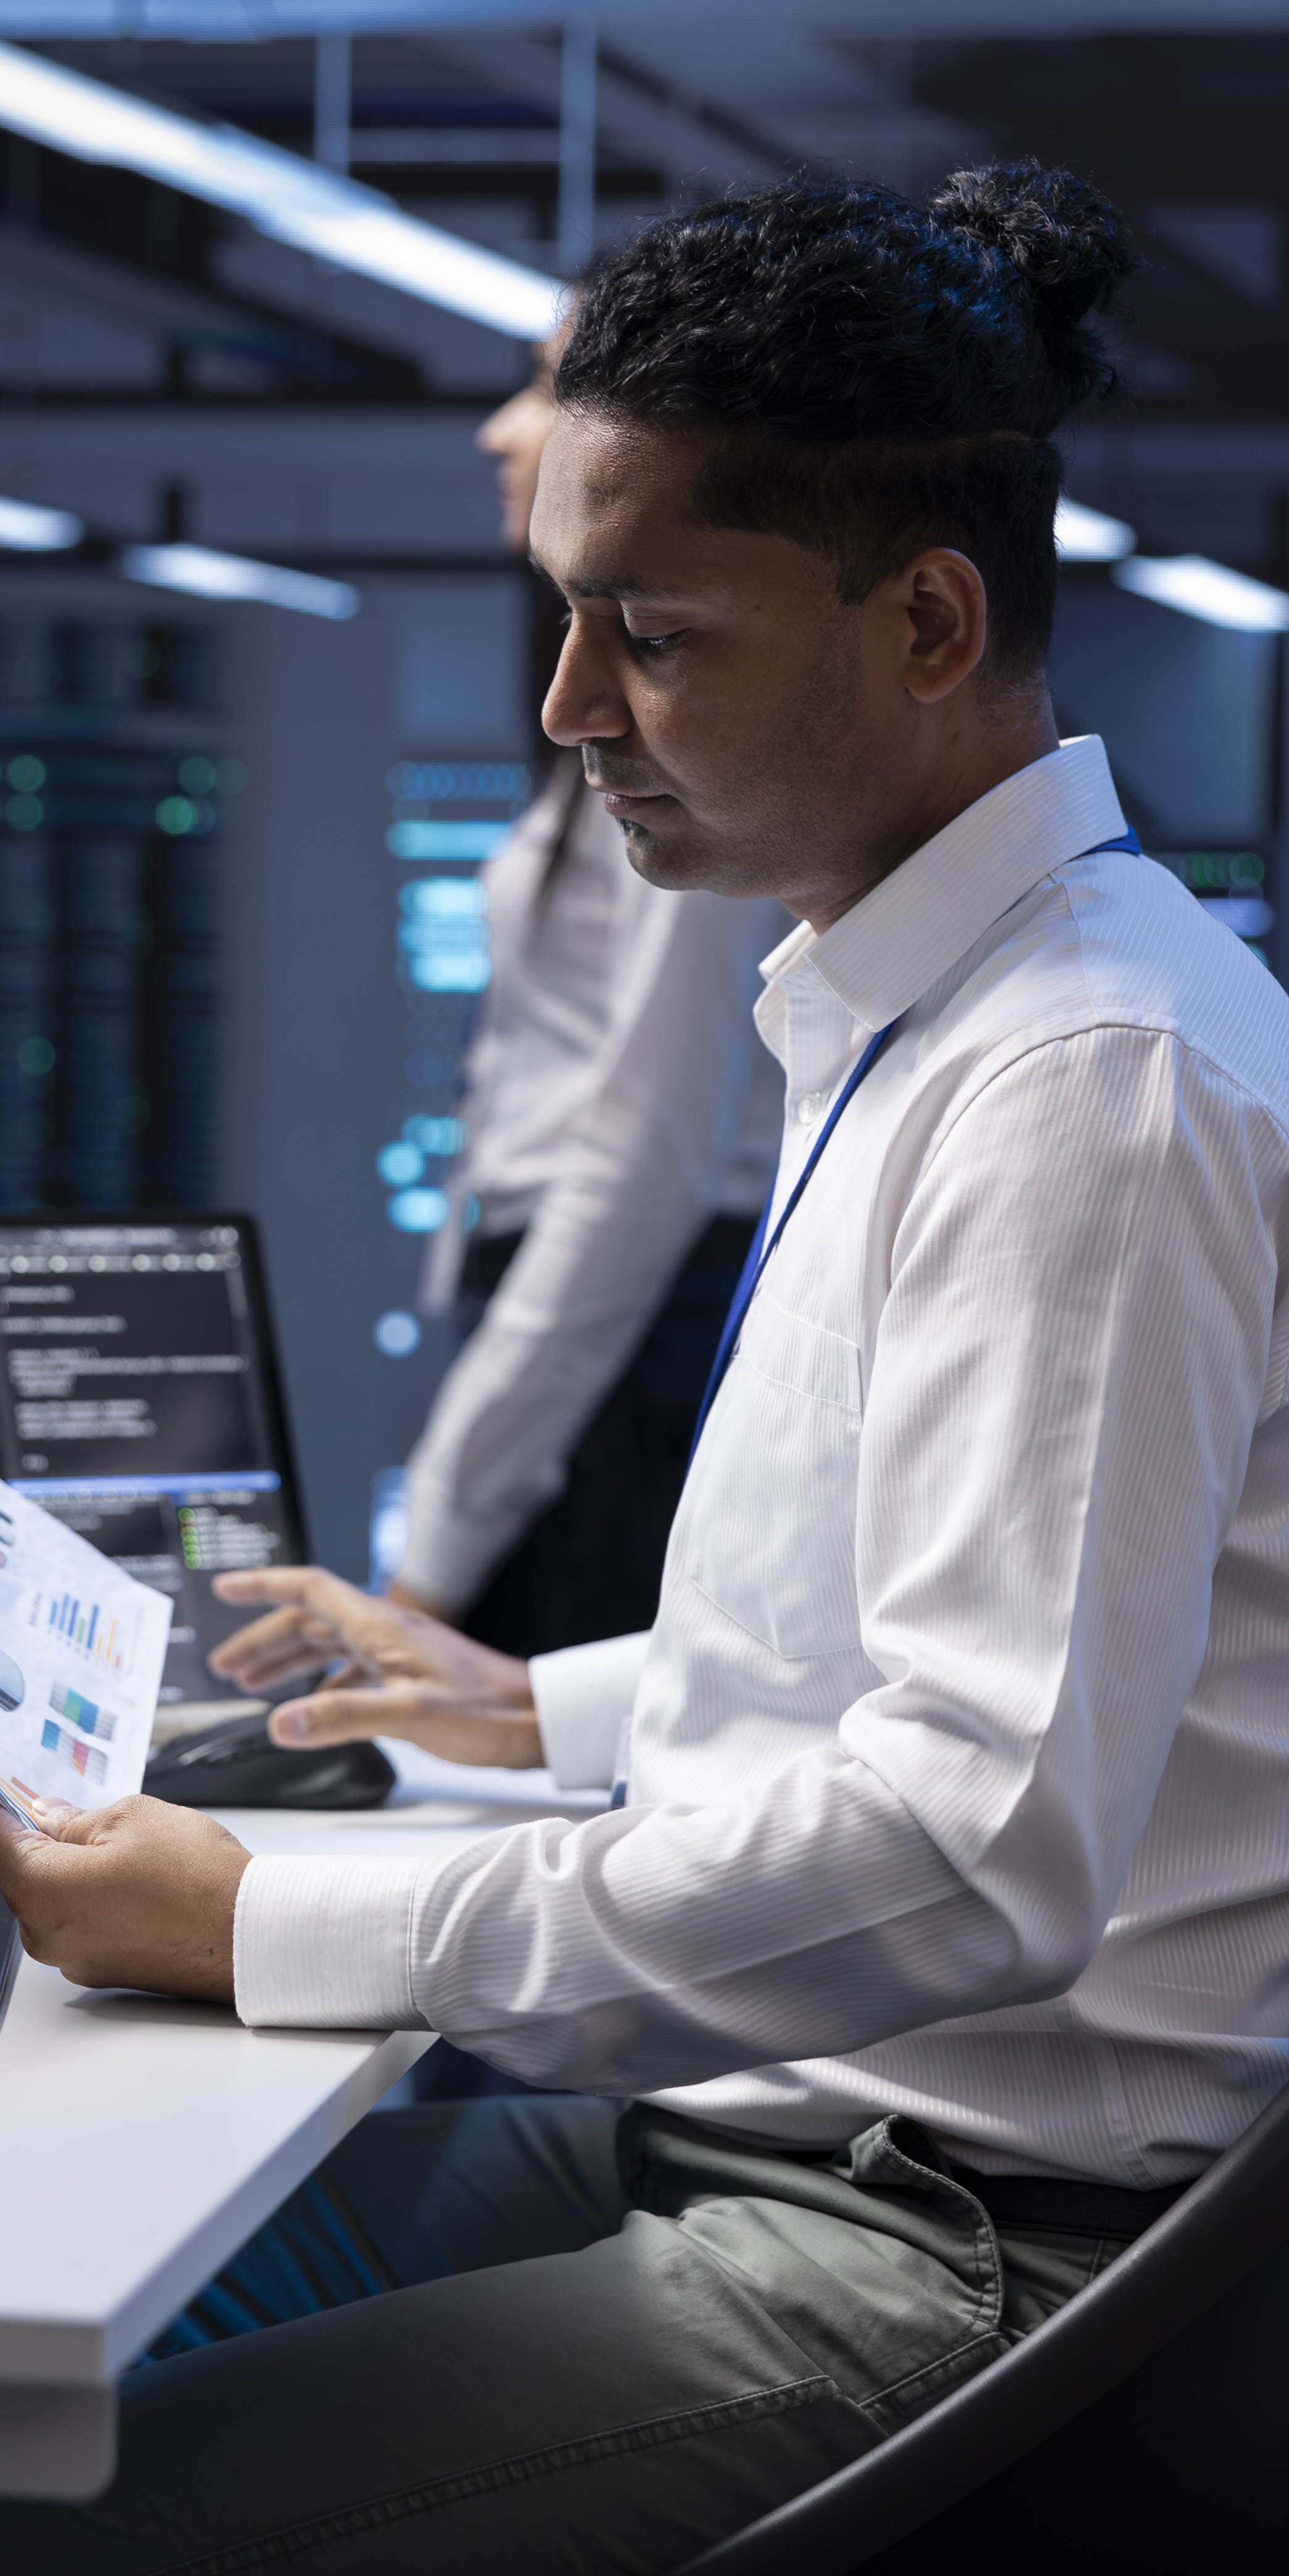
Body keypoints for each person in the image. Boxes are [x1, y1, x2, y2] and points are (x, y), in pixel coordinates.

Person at [0, 167, 1289, 2576]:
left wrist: (268, 1914)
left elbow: (978, 1844)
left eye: (652, 631)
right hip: (819, 2115)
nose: (564, 705)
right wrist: (534, 1692)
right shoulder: (931, 1008)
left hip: (943, 2229)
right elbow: (927, 1650)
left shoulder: (1085, 1085)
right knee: (54, 2396)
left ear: (928, 629)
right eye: (564, 615)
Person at [398, 335, 783, 1652]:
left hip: (620, 1323)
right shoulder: (601, 740)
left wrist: (440, 1537)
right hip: (577, 1312)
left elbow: (644, 1155)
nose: (503, 431)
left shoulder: (695, 766)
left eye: (553, 386)